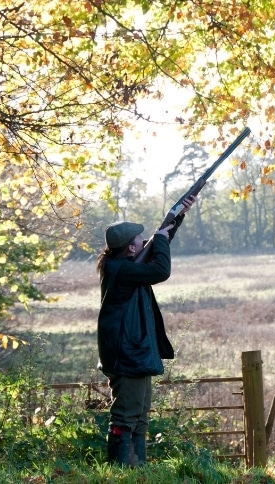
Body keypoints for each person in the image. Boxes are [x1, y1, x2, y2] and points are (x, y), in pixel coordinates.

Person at [96, 195, 196, 466]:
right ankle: (121, 469)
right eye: (139, 239)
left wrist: (176, 218)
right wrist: (161, 238)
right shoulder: (122, 270)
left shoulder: (122, 265)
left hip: (131, 353)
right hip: (127, 355)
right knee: (126, 417)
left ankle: (136, 468)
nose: (144, 240)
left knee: (139, 415)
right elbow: (161, 269)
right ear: (130, 248)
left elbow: (152, 248)